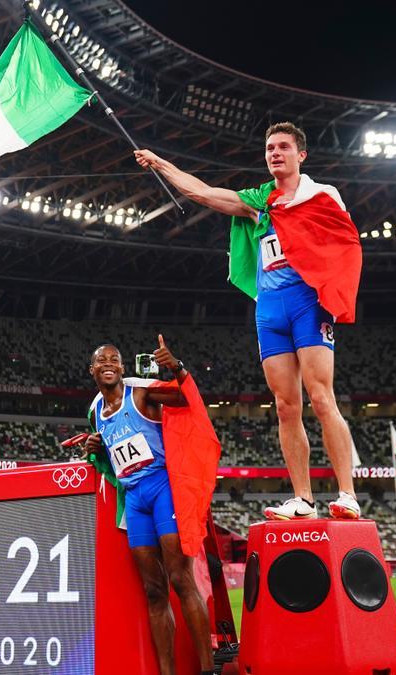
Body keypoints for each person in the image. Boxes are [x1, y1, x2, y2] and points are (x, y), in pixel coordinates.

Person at [135, 121, 362, 521]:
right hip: (270, 309)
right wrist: (159, 164)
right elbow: (202, 192)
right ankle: (304, 501)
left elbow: (343, 245)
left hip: (308, 303)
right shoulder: (259, 200)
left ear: (300, 155)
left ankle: (347, 494)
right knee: (285, 406)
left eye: (284, 147)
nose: (275, 153)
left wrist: (332, 292)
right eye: (270, 148)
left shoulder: (322, 196)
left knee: (321, 396)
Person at [83, 339, 214, 675]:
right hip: (135, 500)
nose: (108, 363)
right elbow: (109, 461)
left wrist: (177, 367)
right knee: (154, 591)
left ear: (123, 368)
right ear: (92, 370)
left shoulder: (140, 394)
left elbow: (186, 399)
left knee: (180, 578)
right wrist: (93, 447)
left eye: (115, 359)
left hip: (162, 489)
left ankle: (208, 669)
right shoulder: (95, 411)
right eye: (102, 360)